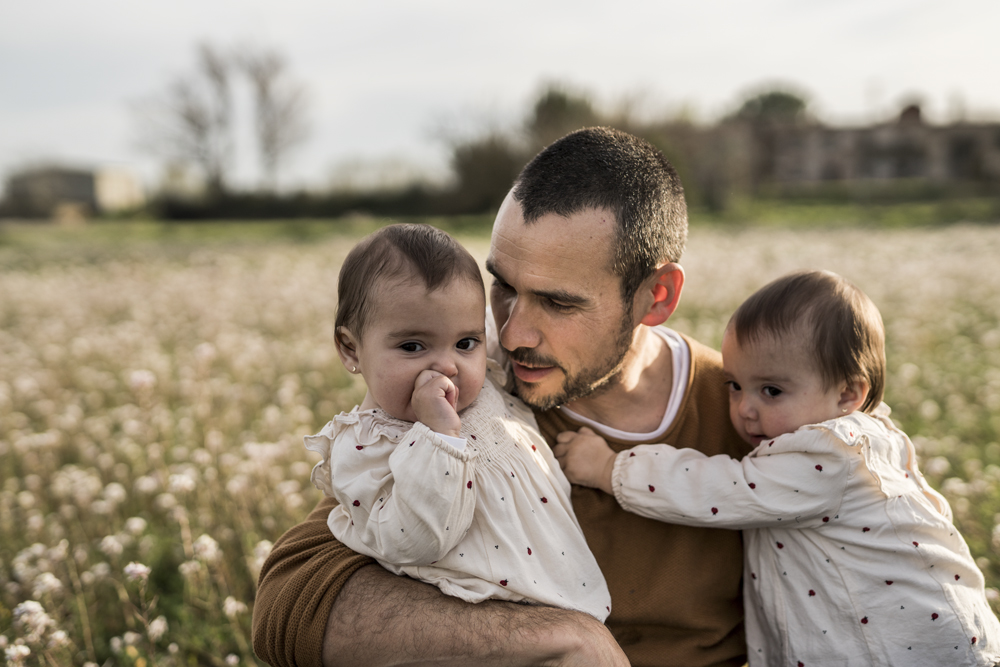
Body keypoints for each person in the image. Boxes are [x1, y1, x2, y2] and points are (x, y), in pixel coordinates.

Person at [252, 127, 753, 667]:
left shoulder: (755, 413)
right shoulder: (470, 392)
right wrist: (560, 637)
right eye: (505, 288)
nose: (512, 335)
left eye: (558, 303)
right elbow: (290, 604)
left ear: (656, 297)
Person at [557, 270, 1000, 666]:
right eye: (734, 385)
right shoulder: (846, 447)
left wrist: (611, 467)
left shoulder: (831, 455)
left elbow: (721, 490)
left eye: (771, 390)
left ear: (849, 395)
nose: (744, 409)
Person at [305, 223, 611, 621]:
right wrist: (438, 437)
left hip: (574, 599)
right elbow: (415, 541)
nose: (447, 366)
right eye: (412, 346)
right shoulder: (364, 447)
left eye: (466, 343)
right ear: (351, 349)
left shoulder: (484, 382)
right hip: (501, 622)